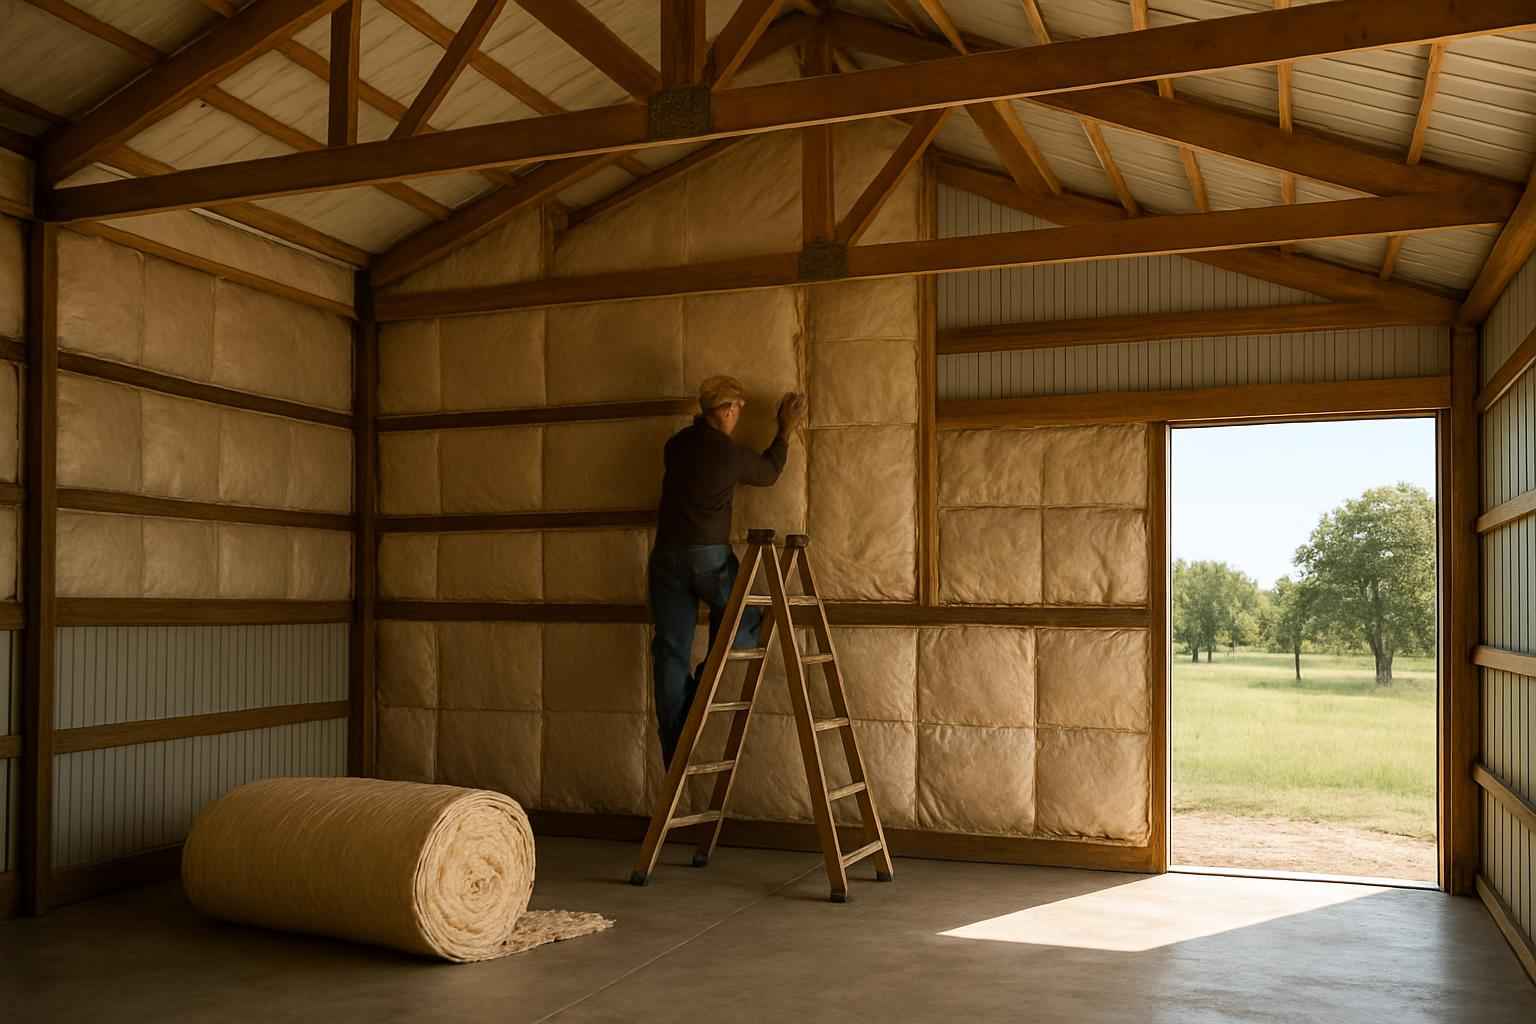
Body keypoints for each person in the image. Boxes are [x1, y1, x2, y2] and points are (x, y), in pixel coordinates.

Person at [649, 375, 808, 769]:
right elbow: (769, 472)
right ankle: (698, 697)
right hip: (708, 557)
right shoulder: (727, 454)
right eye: (737, 409)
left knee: (670, 651)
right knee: (746, 620)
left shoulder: (675, 446)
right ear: (727, 410)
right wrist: (784, 430)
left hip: (665, 556)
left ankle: (673, 746)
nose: (739, 417)